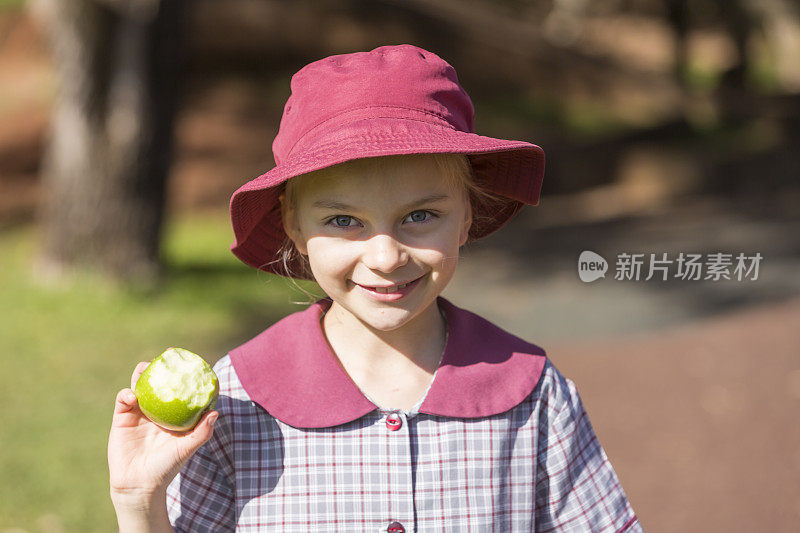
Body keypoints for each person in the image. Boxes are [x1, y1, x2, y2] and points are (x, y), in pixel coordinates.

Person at [108, 44, 643, 532]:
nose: (386, 257)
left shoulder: (532, 394)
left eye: (420, 215)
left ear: (466, 218)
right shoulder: (238, 400)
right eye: (344, 221)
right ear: (294, 227)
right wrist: (139, 503)